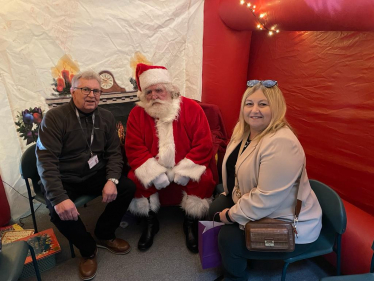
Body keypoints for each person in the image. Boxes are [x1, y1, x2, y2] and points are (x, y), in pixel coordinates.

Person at [208, 80, 322, 281]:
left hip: (286, 222)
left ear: (276, 107)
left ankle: (236, 276)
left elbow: (265, 199)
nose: (254, 110)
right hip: (256, 204)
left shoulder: (282, 142)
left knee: (228, 239)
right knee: (214, 207)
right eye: (249, 103)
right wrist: (230, 203)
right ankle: (240, 259)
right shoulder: (244, 131)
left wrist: (231, 215)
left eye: (263, 104)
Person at [36, 70, 136, 281]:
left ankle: (104, 233)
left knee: (127, 187)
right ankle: (88, 250)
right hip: (65, 177)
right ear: (72, 92)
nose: (92, 95)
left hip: (94, 173)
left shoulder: (106, 117)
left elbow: (114, 153)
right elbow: (46, 162)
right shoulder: (54, 118)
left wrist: (112, 179)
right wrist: (59, 198)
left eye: (96, 91)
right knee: (57, 211)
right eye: (86, 90)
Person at [125, 63, 216, 253]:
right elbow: (134, 148)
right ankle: (151, 221)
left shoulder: (191, 108)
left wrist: (184, 171)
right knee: (135, 178)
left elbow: (204, 143)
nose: (154, 96)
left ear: (169, 90)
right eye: (148, 92)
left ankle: (190, 221)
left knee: (204, 177)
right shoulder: (136, 114)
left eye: (159, 90)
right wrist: (154, 174)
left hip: (185, 166)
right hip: (154, 167)